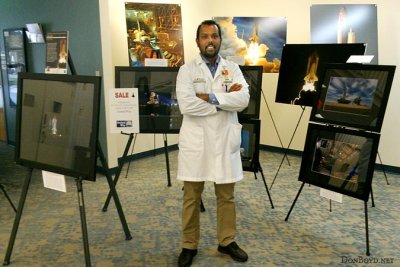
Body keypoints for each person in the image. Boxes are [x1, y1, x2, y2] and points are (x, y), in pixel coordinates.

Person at [176, 20, 250, 267]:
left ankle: (226, 241)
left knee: (226, 196)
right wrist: (224, 102)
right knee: (191, 197)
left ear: (220, 39)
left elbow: (243, 100)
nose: (210, 40)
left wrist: (209, 98)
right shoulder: (187, 70)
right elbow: (187, 105)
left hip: (223, 140)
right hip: (196, 142)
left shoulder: (233, 69)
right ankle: (189, 245)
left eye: (214, 36)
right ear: (198, 41)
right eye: (205, 36)